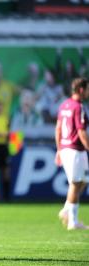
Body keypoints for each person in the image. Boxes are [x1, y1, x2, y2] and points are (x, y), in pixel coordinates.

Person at [55, 77, 89, 230]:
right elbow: (81, 131)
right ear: (81, 90)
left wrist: (59, 149)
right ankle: (72, 221)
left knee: (83, 181)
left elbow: (58, 129)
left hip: (67, 148)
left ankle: (66, 209)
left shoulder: (64, 105)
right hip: (75, 149)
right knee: (75, 183)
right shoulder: (78, 107)